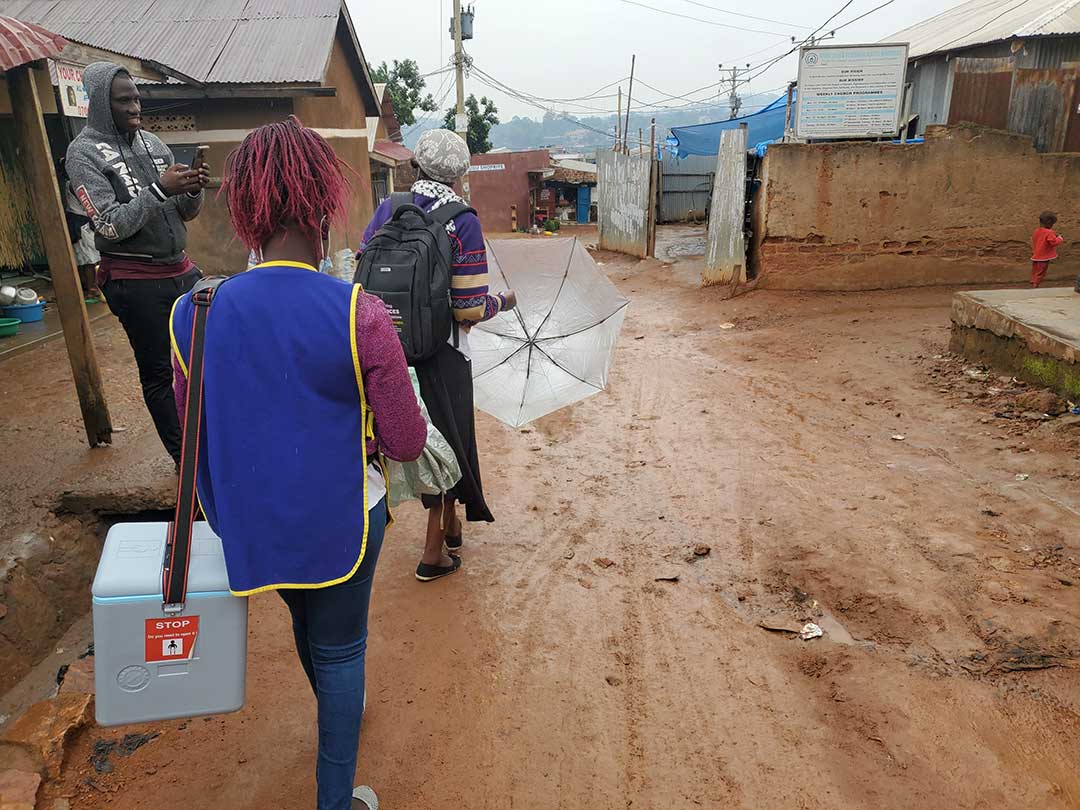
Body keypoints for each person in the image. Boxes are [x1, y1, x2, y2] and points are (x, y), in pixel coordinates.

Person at [171, 116, 425, 810]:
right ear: (320, 209)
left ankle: (338, 711)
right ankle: (336, 799)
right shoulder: (359, 313)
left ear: (248, 213)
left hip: (252, 523)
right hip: (342, 518)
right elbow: (405, 442)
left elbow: (192, 427)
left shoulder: (192, 310)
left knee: (309, 623)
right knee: (342, 647)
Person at [360, 129, 516, 582]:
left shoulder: (389, 208)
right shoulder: (461, 219)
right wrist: (502, 302)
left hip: (388, 348)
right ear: (459, 175)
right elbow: (467, 307)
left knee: (415, 438)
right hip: (443, 354)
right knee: (447, 442)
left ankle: (450, 526)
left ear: (417, 166)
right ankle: (433, 554)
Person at [66, 62, 209, 466]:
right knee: (161, 370)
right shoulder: (83, 154)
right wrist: (159, 190)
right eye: (123, 100)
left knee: (206, 356)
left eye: (137, 98)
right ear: (99, 104)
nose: (135, 107)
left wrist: (192, 190)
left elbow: (183, 213)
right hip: (135, 279)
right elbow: (109, 225)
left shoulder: (154, 144)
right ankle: (186, 460)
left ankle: (211, 443)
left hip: (180, 270)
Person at [1031, 211, 1064, 289]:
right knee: (1041, 271)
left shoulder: (1036, 231)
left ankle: (1033, 281)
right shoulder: (1049, 232)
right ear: (1050, 223)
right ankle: (1035, 284)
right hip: (1044, 256)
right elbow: (1053, 243)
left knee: (1035, 270)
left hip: (1036, 255)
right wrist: (1059, 238)